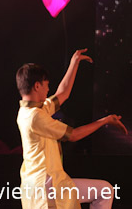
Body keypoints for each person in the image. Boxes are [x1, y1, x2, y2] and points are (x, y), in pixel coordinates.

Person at [16, 49, 128, 209]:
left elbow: (63, 93)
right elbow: (74, 135)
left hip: (53, 182)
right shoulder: (35, 116)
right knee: (104, 190)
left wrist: (74, 63)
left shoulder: (33, 110)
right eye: (46, 86)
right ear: (37, 86)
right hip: (46, 187)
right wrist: (105, 121)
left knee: (105, 190)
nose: (48, 90)